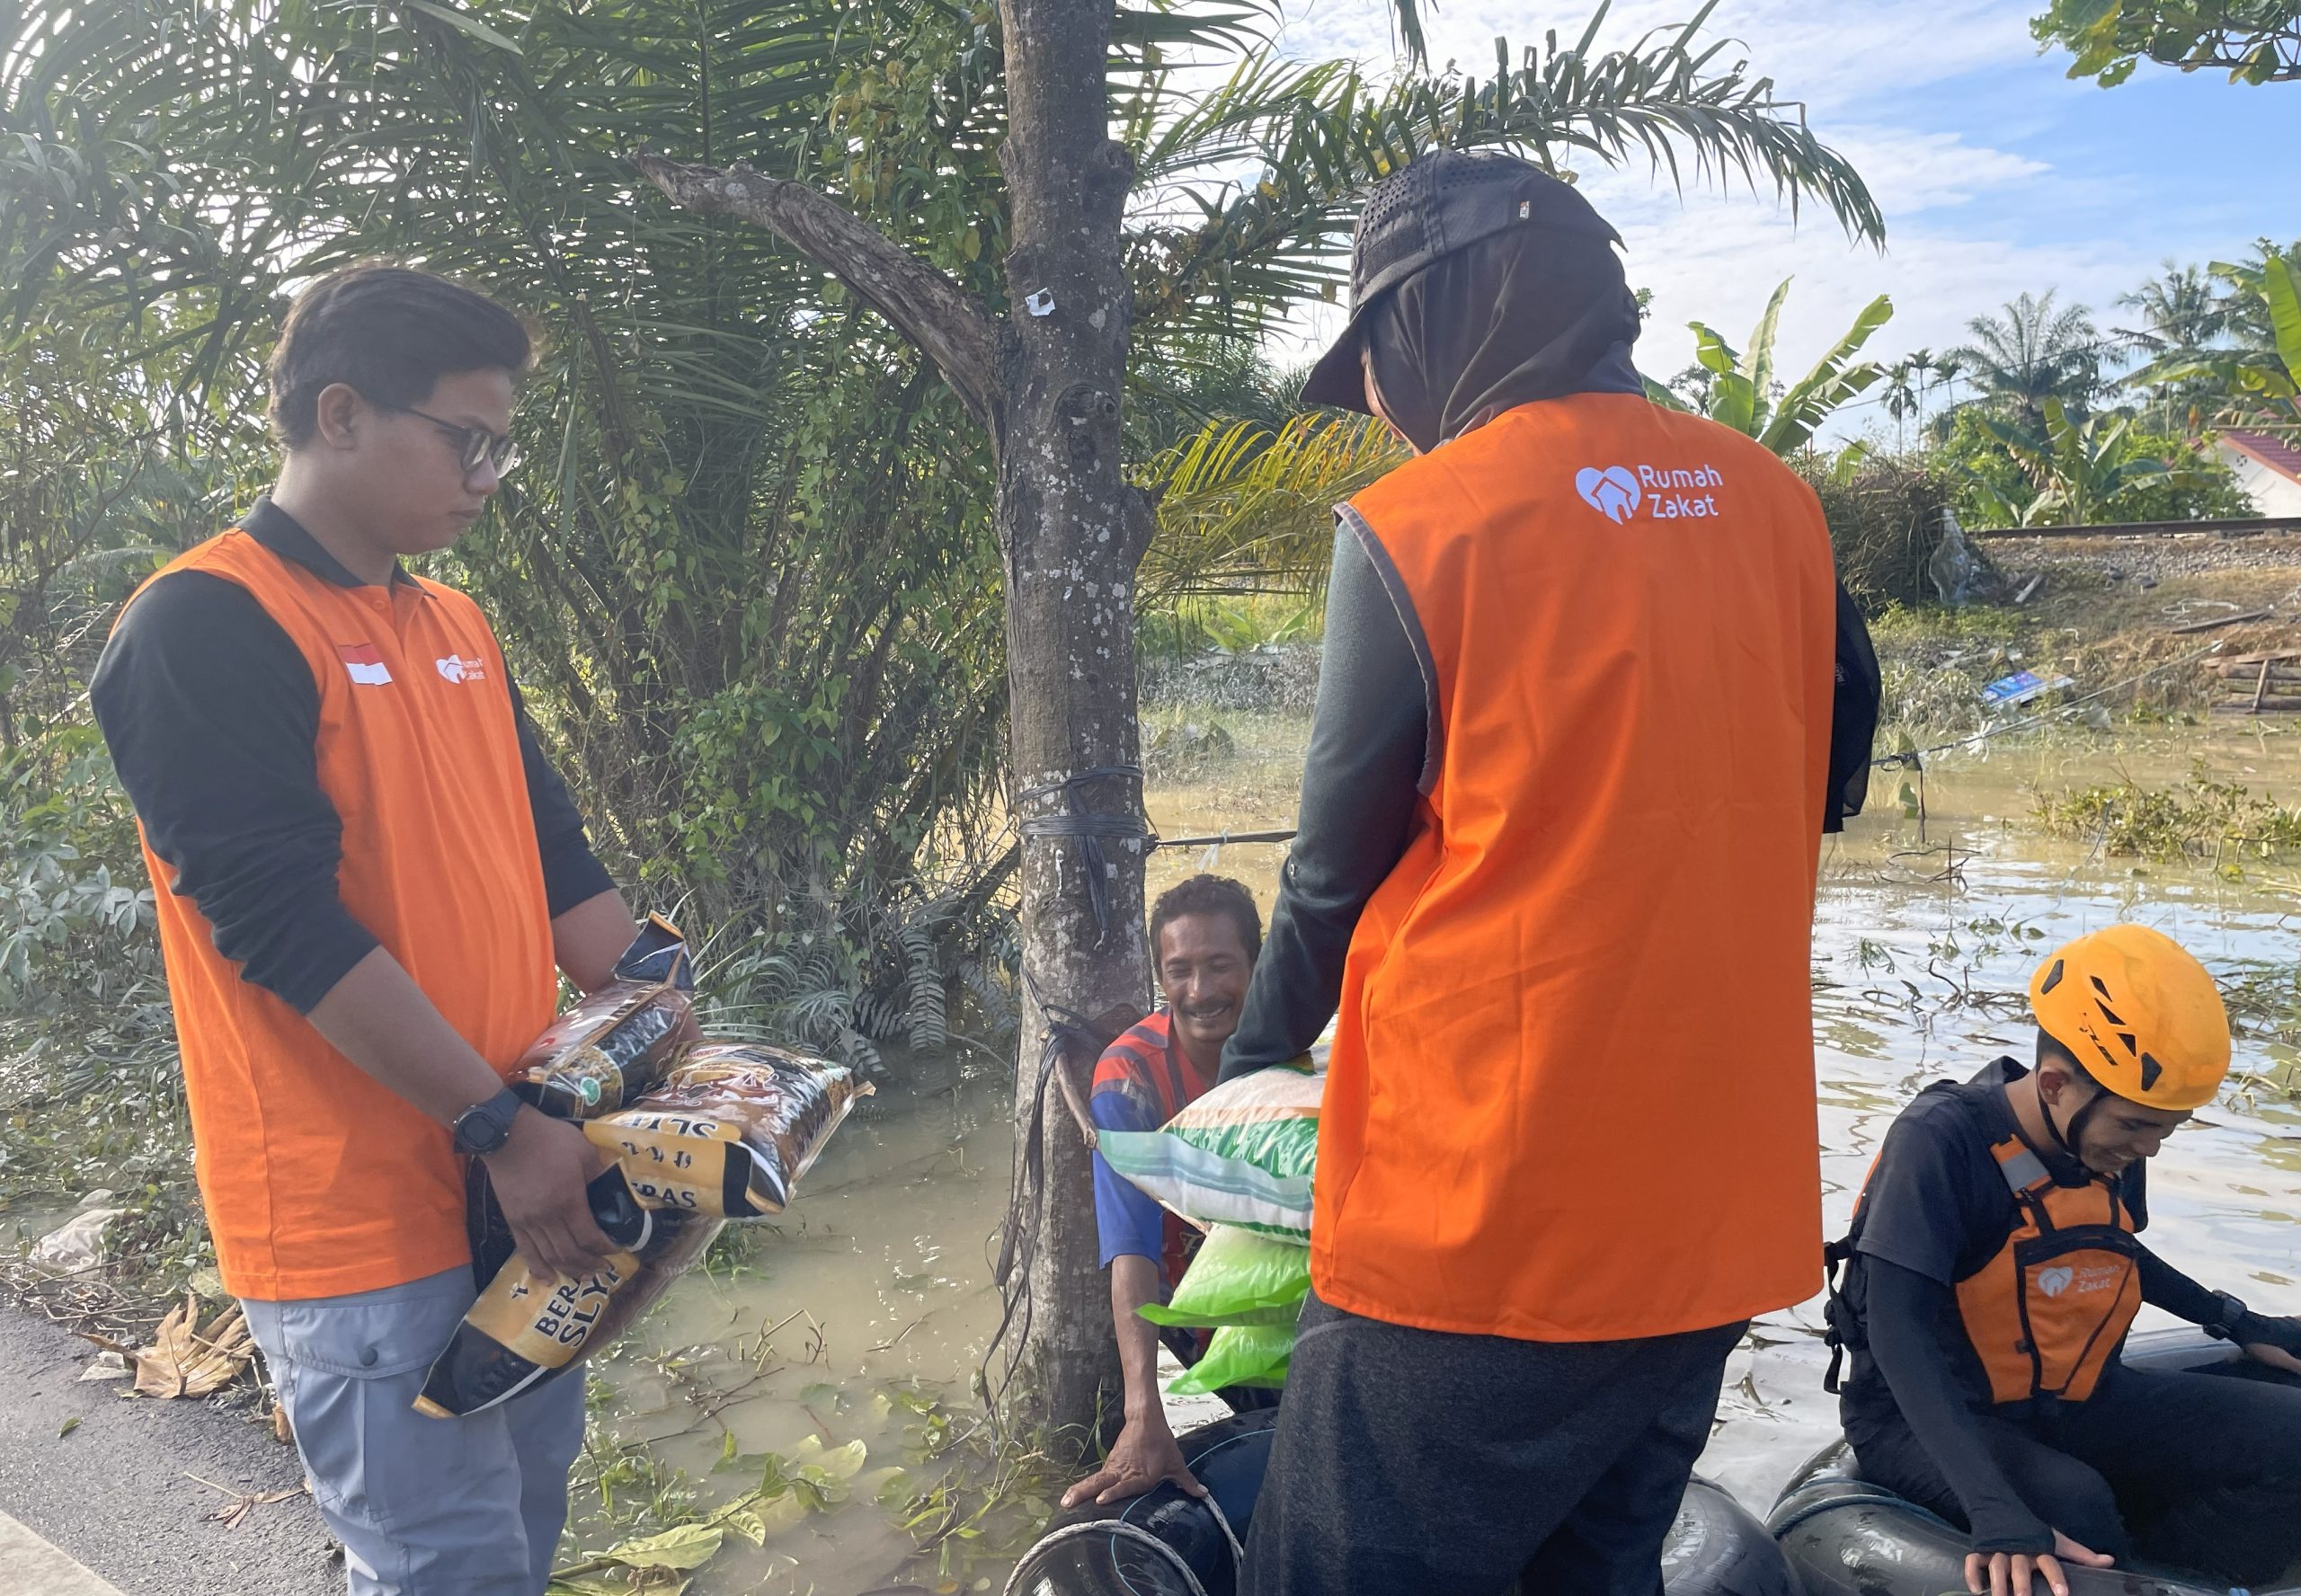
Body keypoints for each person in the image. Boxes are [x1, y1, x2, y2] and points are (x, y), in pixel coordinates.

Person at [1217, 150, 1882, 1595]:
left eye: (1380, 356)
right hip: (1712, 1221)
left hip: (1485, 1230)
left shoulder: (1429, 524)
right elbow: (1821, 782)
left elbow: (1330, 874)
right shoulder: (1780, 506)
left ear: (1440, 317)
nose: (1383, 408)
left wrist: (1246, 1069)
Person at [91, 265, 641, 1596]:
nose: (490, 473)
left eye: (501, 443)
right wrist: (501, 1131)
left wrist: (683, 1019)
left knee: (521, 1528)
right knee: (439, 1568)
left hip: (527, 1192)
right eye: (469, 438)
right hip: (367, 1227)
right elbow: (281, 928)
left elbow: (559, 864)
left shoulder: (454, 621)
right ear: (341, 414)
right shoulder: (204, 626)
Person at [1824, 924, 2301, 1596]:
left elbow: (2115, 1248)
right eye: (2137, 1126)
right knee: (2074, 1502)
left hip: (2071, 1398)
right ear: (2054, 1084)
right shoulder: (1940, 1144)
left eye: (2167, 1128)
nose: (2151, 1149)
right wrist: (1996, 1512)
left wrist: (2237, 1320)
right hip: (1924, 1420)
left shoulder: (2104, 1142)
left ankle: (2189, 1577)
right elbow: (1895, 1336)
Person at [1063, 874, 1279, 1511]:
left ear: (1258, 964)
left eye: (1220, 966)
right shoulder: (1129, 1080)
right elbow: (1129, 1247)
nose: (1201, 991)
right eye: (1179, 969)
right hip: (1187, 1283)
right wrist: (1143, 1412)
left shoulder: (1295, 1047)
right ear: (1160, 976)